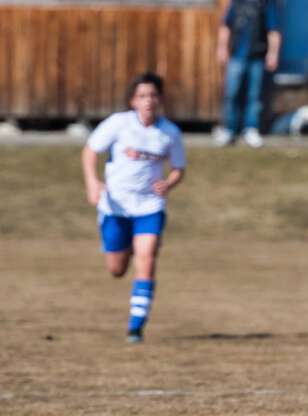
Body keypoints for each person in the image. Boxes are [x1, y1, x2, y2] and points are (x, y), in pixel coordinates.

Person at [81, 72, 186, 344]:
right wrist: (93, 182)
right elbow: (90, 150)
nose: (148, 101)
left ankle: (135, 327)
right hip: (115, 206)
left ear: (160, 99)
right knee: (116, 269)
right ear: (132, 101)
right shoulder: (119, 124)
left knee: (147, 259)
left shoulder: (170, 133)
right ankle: (126, 246)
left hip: (149, 206)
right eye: (142, 96)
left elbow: (178, 168)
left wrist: (169, 183)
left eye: (152, 95)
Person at [213, 0, 282, 148]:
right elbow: (226, 26)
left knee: (254, 97)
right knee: (231, 94)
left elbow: (273, 30)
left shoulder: (265, 4)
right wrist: (222, 47)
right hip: (236, 55)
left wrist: (273, 54)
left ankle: (251, 129)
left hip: (257, 57)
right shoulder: (237, 3)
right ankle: (229, 129)